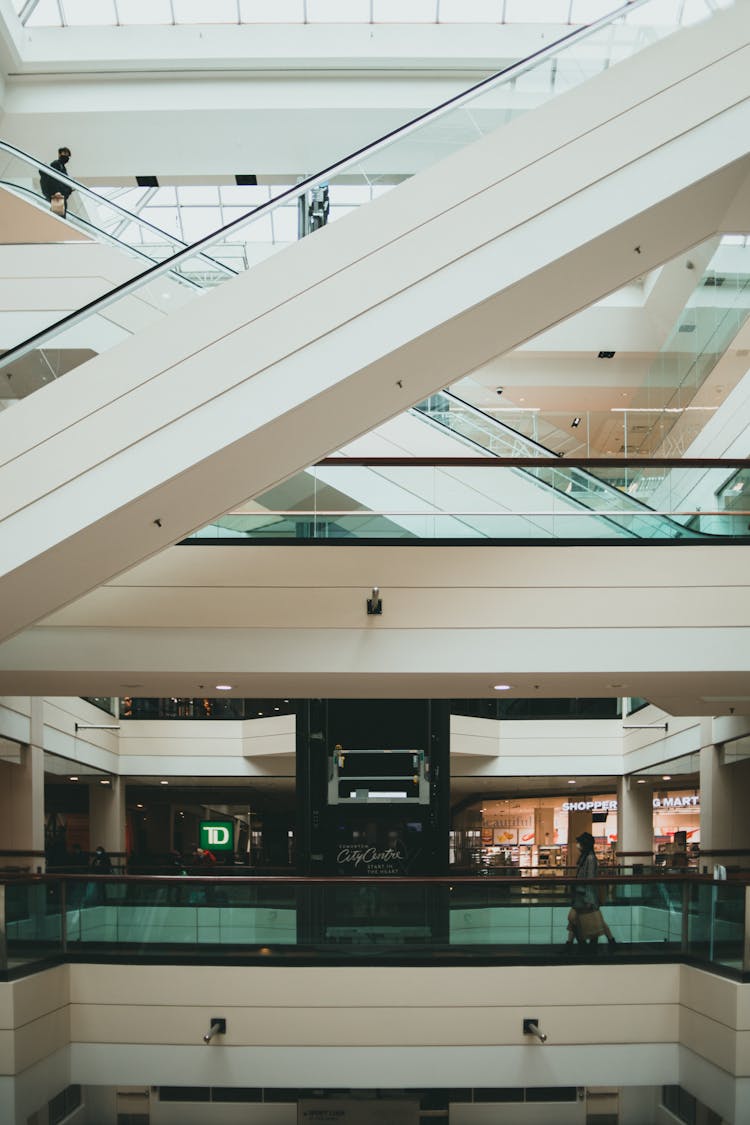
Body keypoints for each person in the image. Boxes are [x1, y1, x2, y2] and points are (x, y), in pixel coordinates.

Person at [564, 831, 616, 948]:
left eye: (579, 843)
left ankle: (573, 944)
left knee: (577, 919)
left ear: (584, 844)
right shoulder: (586, 857)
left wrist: (589, 899)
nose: (578, 845)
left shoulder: (590, 858)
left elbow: (590, 879)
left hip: (585, 895)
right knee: (580, 919)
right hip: (581, 894)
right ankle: (610, 941)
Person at [39, 146, 73, 216]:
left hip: (60, 196)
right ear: (59, 154)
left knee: (60, 218)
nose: (66, 156)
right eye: (64, 153)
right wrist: (57, 192)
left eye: (68, 155)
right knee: (59, 218)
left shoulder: (63, 167)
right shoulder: (56, 164)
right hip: (57, 196)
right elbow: (53, 179)